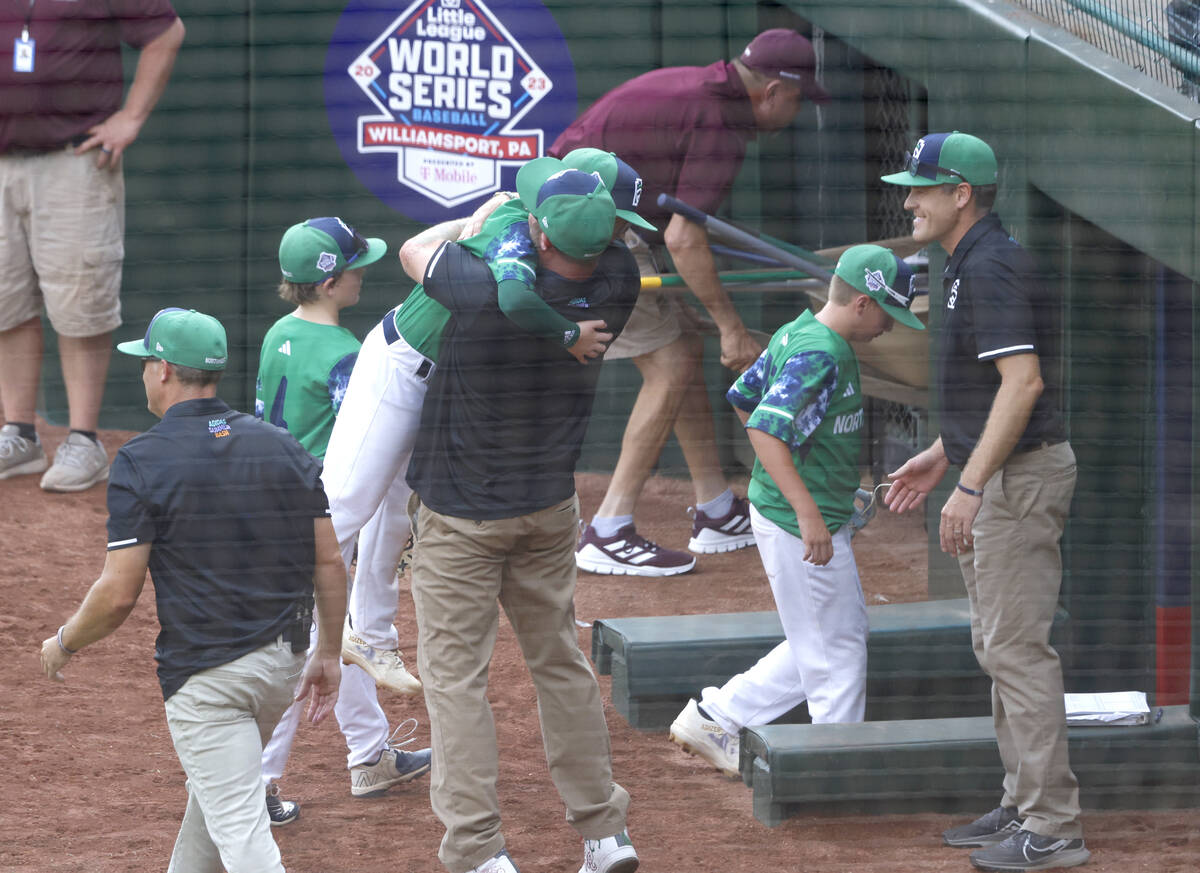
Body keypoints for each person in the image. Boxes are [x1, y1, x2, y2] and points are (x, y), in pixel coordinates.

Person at [317, 155, 646, 705]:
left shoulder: (562, 242)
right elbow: (462, 277)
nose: (624, 235)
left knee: (396, 508)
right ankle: (282, 623)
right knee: (345, 505)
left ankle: (370, 634)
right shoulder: (520, 231)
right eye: (621, 219)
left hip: (450, 384)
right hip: (403, 362)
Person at [38, 307, 344, 873]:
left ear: (163, 371)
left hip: (209, 684)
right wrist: (327, 652)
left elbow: (118, 595)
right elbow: (328, 560)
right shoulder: (281, 445)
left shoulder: (140, 461)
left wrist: (64, 643)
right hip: (283, 666)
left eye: (145, 362)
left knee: (245, 840)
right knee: (214, 810)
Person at [403, 160, 640, 873]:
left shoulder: (479, 287)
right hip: (546, 511)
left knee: (455, 682)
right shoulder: (618, 279)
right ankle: (605, 833)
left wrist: (485, 214)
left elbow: (416, 249)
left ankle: (478, 850)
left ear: (537, 233)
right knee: (560, 664)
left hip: (461, 518)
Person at [880, 132, 1088, 871]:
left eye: (921, 188)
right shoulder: (969, 260)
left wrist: (970, 484)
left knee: (1017, 649)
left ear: (960, 193)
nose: (908, 200)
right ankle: (1023, 798)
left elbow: (1023, 383)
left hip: (1016, 481)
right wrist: (945, 453)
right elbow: (992, 388)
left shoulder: (992, 264)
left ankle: (1054, 825)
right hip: (995, 470)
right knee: (998, 644)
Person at [551, 28, 831, 576]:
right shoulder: (721, 122)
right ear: (772, 91)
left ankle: (716, 507)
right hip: (587, 227)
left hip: (587, 214)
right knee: (674, 361)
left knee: (681, 350)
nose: (796, 110)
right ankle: (608, 528)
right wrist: (733, 326)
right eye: (797, 99)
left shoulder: (707, 93)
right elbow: (683, 238)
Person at [667, 245, 924, 776]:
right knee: (841, 652)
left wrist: (812, 479)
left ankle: (717, 717)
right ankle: (833, 768)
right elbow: (763, 425)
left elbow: (744, 396)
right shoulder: (819, 351)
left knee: (829, 637)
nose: (890, 327)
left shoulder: (798, 332)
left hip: (801, 513)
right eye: (887, 313)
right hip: (797, 525)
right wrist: (806, 507)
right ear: (860, 303)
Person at [254, 217, 430, 824]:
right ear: (330, 283)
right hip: (320, 511)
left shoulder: (280, 330)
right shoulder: (345, 355)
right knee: (306, 641)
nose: (364, 271)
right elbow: (366, 440)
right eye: (355, 264)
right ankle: (259, 784)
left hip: (275, 500)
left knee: (343, 630)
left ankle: (370, 753)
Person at [0, 1, 185, 491]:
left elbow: (165, 32)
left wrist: (131, 116)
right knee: (5, 299)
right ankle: (18, 434)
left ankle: (83, 440)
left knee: (81, 300)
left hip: (74, 160)